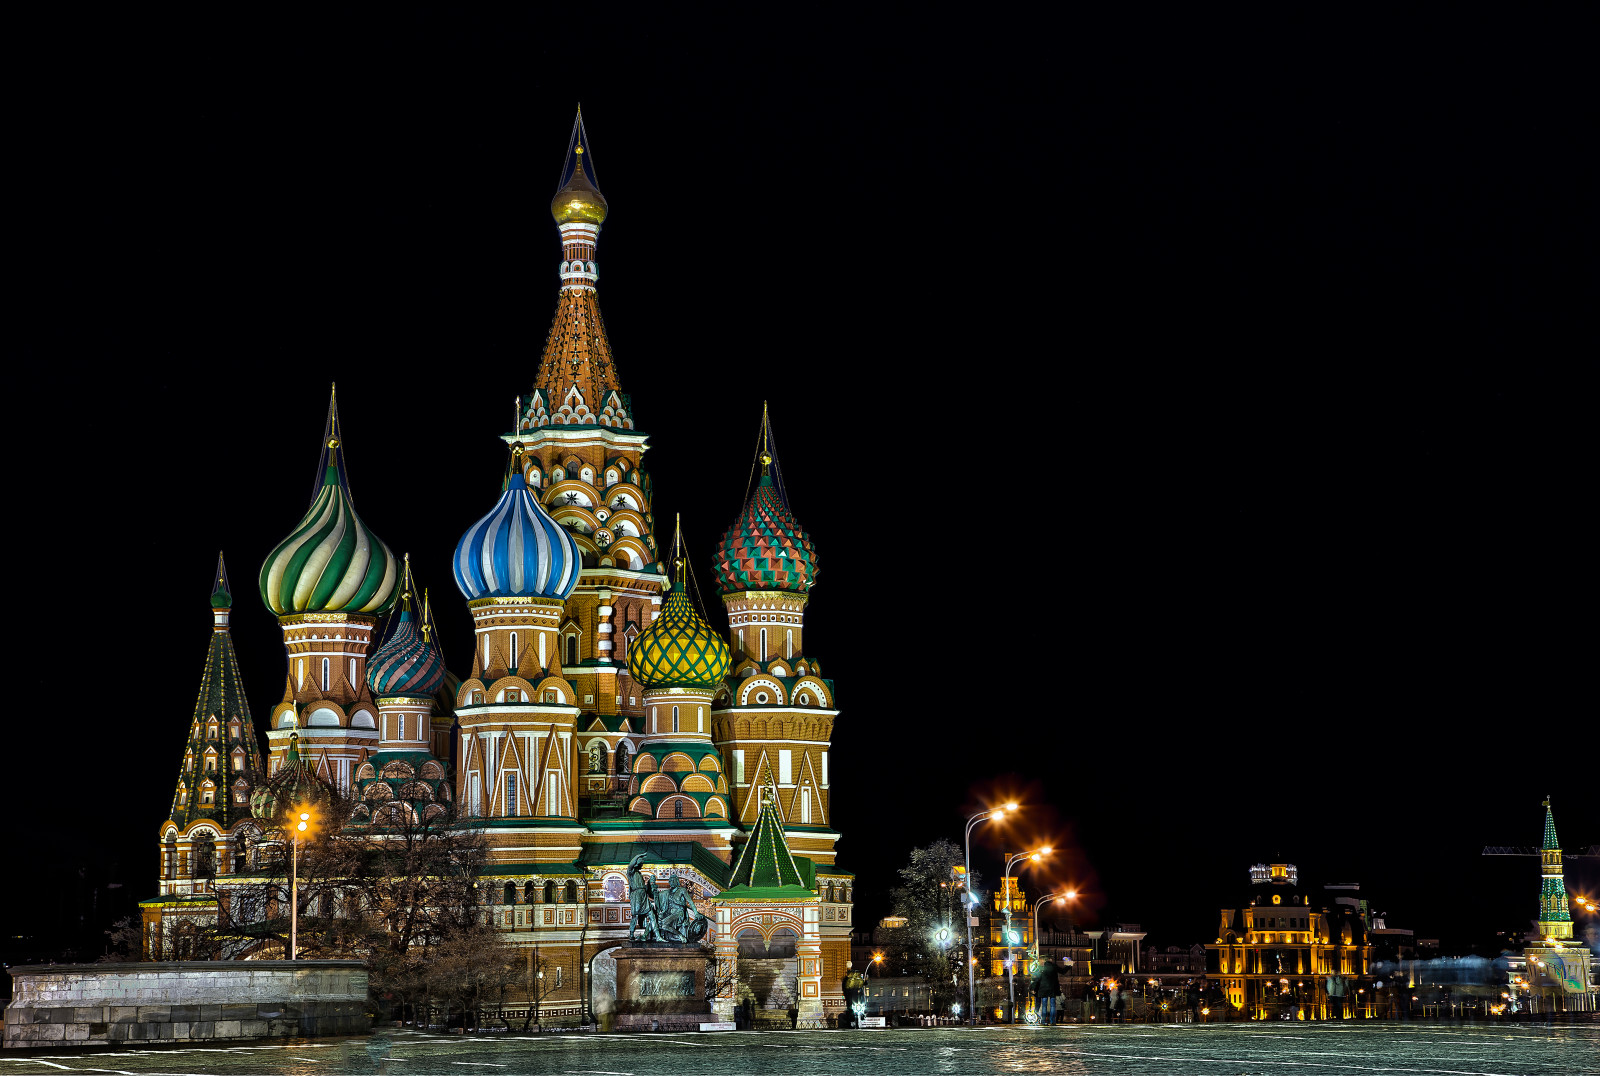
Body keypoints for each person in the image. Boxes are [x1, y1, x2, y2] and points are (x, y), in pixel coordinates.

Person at [1030, 955, 1060, 1025]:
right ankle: (1052, 1021)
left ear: (1044, 960)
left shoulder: (1041, 968)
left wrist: (1033, 988)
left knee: (1044, 1006)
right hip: (1053, 988)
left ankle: (1043, 1021)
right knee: (1053, 1006)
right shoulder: (1054, 967)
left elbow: (1036, 979)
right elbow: (1063, 971)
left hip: (1043, 989)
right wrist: (1069, 965)